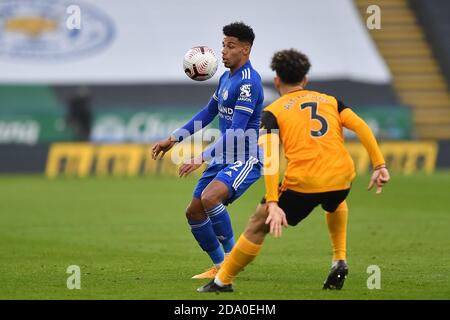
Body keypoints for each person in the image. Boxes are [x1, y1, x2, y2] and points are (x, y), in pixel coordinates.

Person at [198, 49, 390, 292]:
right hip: (342, 178)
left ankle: (222, 281)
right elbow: (362, 127)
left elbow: (270, 158)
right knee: (334, 200)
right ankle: (339, 259)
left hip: (304, 184)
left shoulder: (274, 112)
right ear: (305, 79)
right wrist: (379, 165)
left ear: (277, 80)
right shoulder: (330, 101)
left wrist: (273, 201)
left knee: (258, 222)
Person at [151, 22, 264, 279]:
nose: (223, 51)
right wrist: (173, 139)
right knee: (194, 212)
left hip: (244, 157)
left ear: (245, 50)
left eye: (231, 46)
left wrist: (201, 157)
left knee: (210, 198)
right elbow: (208, 113)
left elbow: (236, 131)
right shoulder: (226, 78)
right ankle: (219, 264)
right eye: (223, 45)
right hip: (222, 157)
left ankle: (232, 261)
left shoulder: (248, 83)